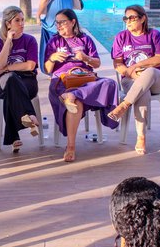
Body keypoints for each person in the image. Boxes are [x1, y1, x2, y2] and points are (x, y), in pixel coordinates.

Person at [43, 9, 119, 163]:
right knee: (76, 103)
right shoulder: (54, 41)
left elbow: (96, 64)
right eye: (57, 22)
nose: (59, 26)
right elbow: (47, 69)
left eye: (62, 22)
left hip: (85, 79)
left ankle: (74, 95)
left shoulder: (85, 39)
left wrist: (85, 57)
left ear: (72, 22)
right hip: (62, 81)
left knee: (110, 83)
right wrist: (52, 58)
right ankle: (70, 146)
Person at [108, 5, 160, 155]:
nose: (128, 21)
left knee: (149, 72)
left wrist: (137, 66)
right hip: (130, 80)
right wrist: (131, 74)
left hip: (158, 78)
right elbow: (118, 64)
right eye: (126, 18)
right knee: (143, 93)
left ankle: (124, 105)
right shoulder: (121, 37)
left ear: (143, 18)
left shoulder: (154, 35)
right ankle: (141, 137)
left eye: (132, 18)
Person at [0, 6, 40, 152]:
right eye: (17, 20)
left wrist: (7, 68)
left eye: (23, 20)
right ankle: (30, 115)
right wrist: (8, 42)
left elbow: (30, 66)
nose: (22, 24)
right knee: (11, 80)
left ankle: (13, 137)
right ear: (8, 24)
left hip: (27, 81)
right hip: (2, 82)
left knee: (11, 90)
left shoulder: (30, 40)